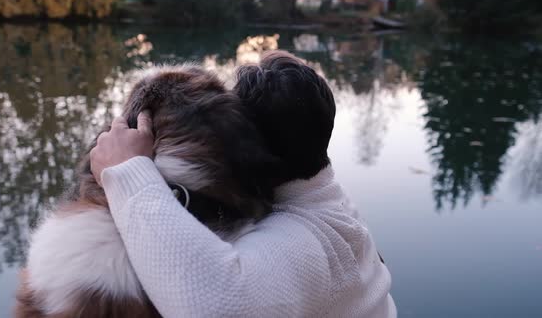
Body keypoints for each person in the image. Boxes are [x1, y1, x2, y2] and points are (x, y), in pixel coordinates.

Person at [90, 51, 397, 317]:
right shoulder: (332, 204)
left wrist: (127, 172)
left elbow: (215, 308)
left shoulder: (306, 242)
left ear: (244, 142)